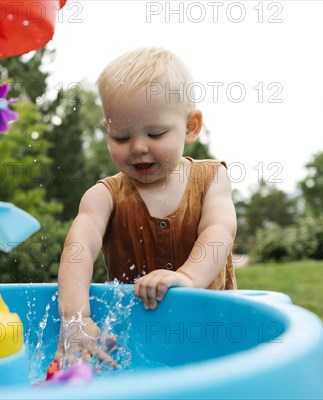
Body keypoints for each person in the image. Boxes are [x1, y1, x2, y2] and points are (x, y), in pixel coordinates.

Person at [55, 48, 237, 367]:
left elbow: (219, 232)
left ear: (191, 126)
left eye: (155, 133)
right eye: (121, 136)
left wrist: (189, 277)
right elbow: (78, 248)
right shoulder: (103, 196)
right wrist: (76, 319)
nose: (138, 147)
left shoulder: (211, 178)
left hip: (211, 335)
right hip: (136, 342)